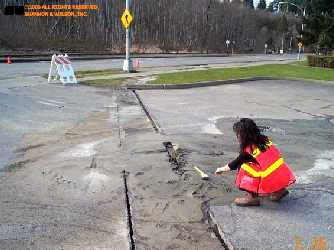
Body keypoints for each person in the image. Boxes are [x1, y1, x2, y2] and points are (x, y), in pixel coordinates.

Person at [215, 118, 295, 206]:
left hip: (270, 177)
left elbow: (234, 164)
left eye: (238, 134)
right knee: (264, 166)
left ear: (244, 136)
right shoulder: (265, 140)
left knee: (244, 167)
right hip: (281, 175)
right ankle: (279, 191)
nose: (237, 136)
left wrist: (221, 169)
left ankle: (252, 197)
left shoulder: (249, 151)